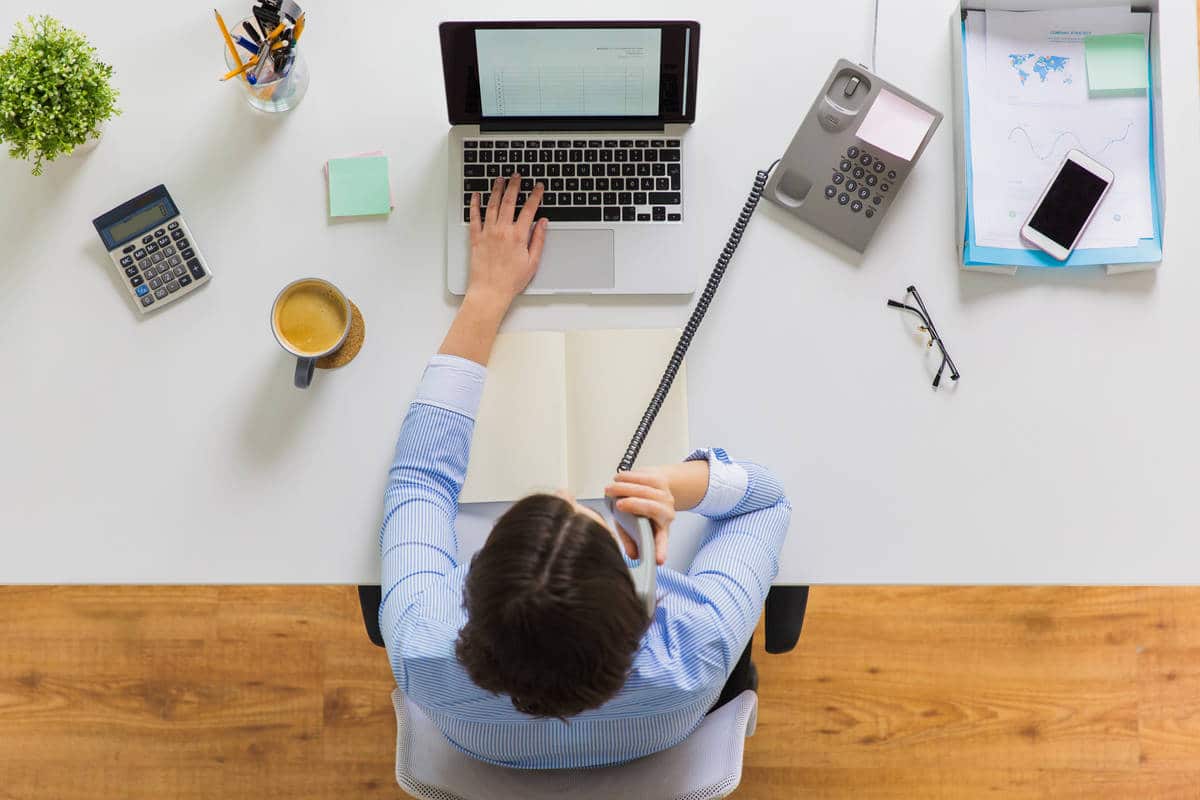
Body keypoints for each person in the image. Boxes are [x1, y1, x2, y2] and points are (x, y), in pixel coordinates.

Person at [380, 173, 791, 769]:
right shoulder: (697, 649)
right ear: (642, 590)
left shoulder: (421, 644)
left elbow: (419, 476)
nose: (572, 491)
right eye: (586, 513)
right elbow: (768, 500)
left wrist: (487, 295)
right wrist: (679, 485)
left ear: (470, 590)